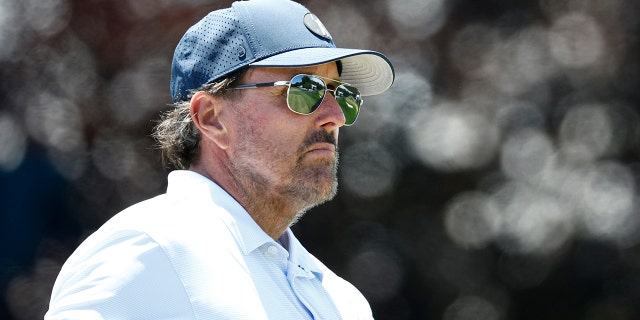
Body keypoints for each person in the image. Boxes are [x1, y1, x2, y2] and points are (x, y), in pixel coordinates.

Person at [45, 0, 394, 318]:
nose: (336, 115)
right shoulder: (148, 250)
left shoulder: (343, 301)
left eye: (343, 94)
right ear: (211, 118)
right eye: (304, 89)